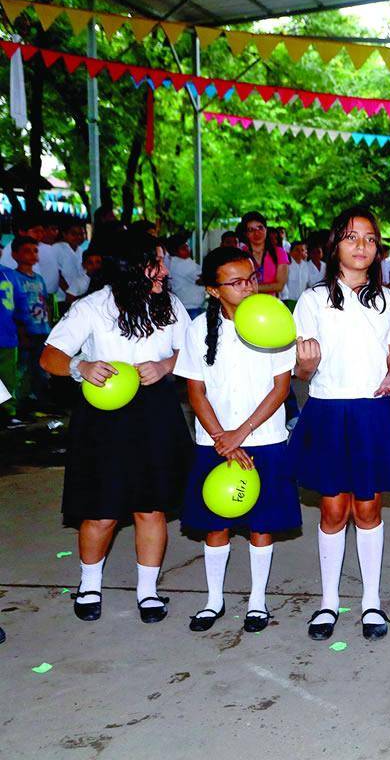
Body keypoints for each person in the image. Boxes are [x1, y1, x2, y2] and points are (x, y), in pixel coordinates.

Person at [40, 231, 191, 624]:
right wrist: (82, 367)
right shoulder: (92, 307)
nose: (163, 270)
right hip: (104, 418)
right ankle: (90, 584)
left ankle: (148, 591)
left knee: (150, 506)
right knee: (101, 510)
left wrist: (165, 366)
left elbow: (189, 353)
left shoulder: (170, 305)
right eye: (154, 262)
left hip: (156, 411)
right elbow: (50, 356)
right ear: (129, 268)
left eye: (163, 261)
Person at [290, 207, 390, 642]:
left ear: (378, 248)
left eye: (370, 239)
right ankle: (327, 602)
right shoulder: (312, 299)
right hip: (328, 411)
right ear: (334, 245)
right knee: (333, 509)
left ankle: (372, 601)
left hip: (371, 412)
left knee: (368, 508)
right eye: (351, 237)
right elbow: (302, 373)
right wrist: (305, 365)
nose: (362, 246)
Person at [177, 247, 300, 634]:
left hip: (264, 439)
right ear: (214, 290)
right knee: (217, 523)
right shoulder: (198, 330)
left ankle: (258, 601)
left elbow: (281, 388)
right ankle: (214, 600)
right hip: (213, 442)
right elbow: (195, 392)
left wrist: (240, 435)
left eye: (250, 278)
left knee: (261, 524)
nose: (247, 287)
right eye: (235, 282)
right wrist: (221, 438)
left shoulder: (272, 322)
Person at [12, 237, 52, 412]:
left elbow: (45, 302)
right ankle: (21, 402)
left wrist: (49, 326)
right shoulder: (13, 278)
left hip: (42, 329)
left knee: (40, 367)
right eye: (27, 250)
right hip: (25, 330)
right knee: (23, 367)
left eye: (35, 251)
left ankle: (40, 401)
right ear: (15, 254)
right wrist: (20, 331)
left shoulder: (39, 279)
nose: (33, 254)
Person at [0, 260, 30, 427]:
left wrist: (23, 327)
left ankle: (6, 414)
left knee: (7, 377)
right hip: (7, 334)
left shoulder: (9, 274)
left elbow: (20, 302)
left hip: (7, 335)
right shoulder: (9, 273)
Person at [237, 212, 289, 298]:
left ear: (266, 229)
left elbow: (280, 286)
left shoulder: (279, 252)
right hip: (246, 305)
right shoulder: (241, 255)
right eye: (251, 230)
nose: (257, 233)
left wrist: (251, 288)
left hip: (271, 306)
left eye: (260, 228)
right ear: (246, 234)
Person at [166, 234, 205, 318]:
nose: (188, 250)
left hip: (184, 306)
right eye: (183, 248)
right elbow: (202, 280)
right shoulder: (182, 264)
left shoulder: (171, 261)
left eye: (187, 247)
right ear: (174, 251)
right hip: (191, 308)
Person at [280, 240, 309, 309]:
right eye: (297, 250)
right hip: (288, 300)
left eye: (302, 250)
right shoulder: (287, 265)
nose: (299, 252)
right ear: (291, 251)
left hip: (302, 301)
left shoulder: (306, 266)